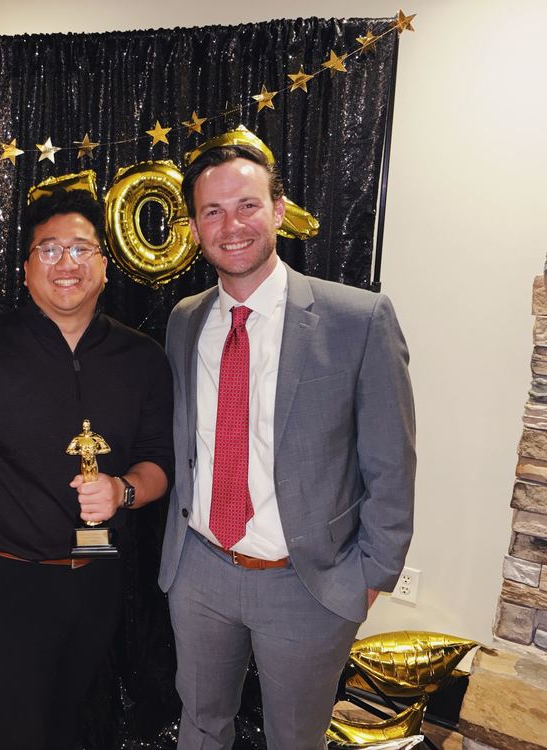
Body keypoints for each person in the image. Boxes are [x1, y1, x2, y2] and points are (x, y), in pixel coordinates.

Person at [159, 144, 415, 750]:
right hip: (200, 569)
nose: (232, 225)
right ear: (194, 229)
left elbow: (392, 462)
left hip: (308, 583)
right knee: (200, 726)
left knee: (296, 739)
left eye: (247, 205)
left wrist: (371, 575)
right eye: (213, 211)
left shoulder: (358, 318)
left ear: (278, 210)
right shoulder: (185, 320)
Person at [0, 189, 174, 750]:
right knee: (14, 733)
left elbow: (160, 461)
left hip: (98, 567)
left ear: (104, 265)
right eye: (50, 249)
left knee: (67, 720)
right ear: (26, 268)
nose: (67, 264)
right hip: (7, 579)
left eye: (81, 248)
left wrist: (124, 491)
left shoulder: (142, 358)